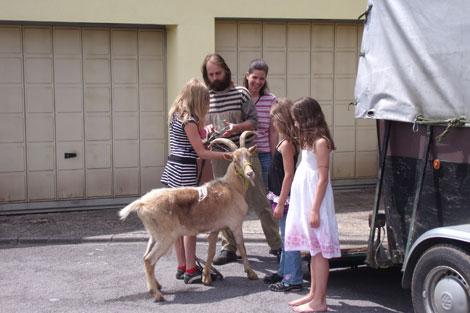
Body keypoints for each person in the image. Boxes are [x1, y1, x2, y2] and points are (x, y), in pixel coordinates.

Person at [201, 53, 281, 265]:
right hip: (220, 155)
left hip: (245, 155)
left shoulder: (241, 94)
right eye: (211, 74)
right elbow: (199, 125)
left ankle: (277, 246)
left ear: (226, 71)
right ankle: (228, 248)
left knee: (259, 201)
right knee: (223, 203)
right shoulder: (205, 96)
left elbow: (254, 122)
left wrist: (236, 127)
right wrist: (205, 128)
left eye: (218, 73)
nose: (215, 77)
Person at [160, 78, 226, 284]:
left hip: (172, 169)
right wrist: (226, 156)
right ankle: (191, 270)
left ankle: (181, 266)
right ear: (198, 99)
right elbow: (200, 152)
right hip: (184, 171)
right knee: (190, 224)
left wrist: (205, 136)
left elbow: (190, 144)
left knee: (178, 222)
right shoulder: (189, 120)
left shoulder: (176, 116)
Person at [284, 97, 341, 312]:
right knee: (312, 249)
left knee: (319, 252)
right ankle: (313, 293)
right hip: (306, 199)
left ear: (308, 118)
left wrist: (315, 209)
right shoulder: (309, 141)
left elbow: (323, 178)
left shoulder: (320, 142)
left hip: (315, 201)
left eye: (297, 120)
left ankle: (320, 301)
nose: (296, 124)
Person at [263, 98, 303, 292]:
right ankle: (283, 270)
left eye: (274, 118)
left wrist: (280, 203)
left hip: (285, 198)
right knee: (284, 236)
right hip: (279, 196)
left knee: (289, 239)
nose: (272, 122)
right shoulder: (283, 141)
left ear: (282, 119)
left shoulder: (287, 144)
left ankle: (293, 279)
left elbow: (289, 174)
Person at [243, 59, 278, 187]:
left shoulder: (271, 100)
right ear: (247, 76)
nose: (258, 82)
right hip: (243, 154)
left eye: (262, 79)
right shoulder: (239, 96)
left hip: (264, 153)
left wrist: (273, 155)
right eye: (254, 77)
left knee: (265, 190)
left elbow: (273, 130)